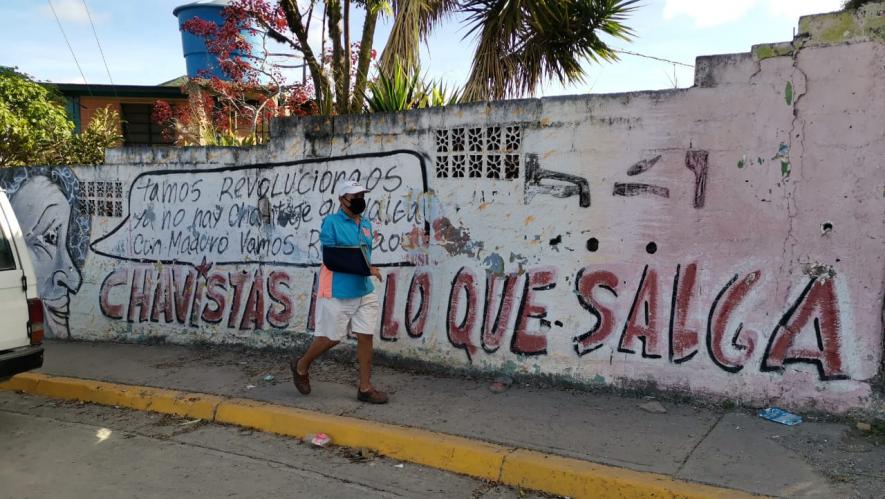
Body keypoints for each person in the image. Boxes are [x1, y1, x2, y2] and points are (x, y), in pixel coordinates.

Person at [291, 179, 388, 404]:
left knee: (366, 336)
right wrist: (366, 269)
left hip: (364, 288)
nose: (359, 200)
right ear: (342, 200)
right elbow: (332, 259)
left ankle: (365, 388)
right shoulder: (331, 223)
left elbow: (362, 255)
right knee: (331, 338)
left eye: (362, 196)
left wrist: (367, 268)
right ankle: (301, 365)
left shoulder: (366, 224)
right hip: (337, 290)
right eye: (355, 197)